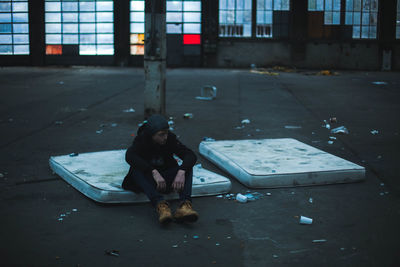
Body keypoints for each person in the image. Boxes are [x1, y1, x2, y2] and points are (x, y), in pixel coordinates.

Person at [122, 114, 199, 225]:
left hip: (166, 178)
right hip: (150, 181)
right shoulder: (142, 140)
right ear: (151, 135)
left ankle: (184, 206)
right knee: (135, 169)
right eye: (161, 135)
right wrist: (153, 171)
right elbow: (130, 156)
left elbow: (190, 155)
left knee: (187, 167)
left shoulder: (170, 139)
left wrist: (181, 172)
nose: (165, 137)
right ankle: (161, 206)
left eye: (166, 133)